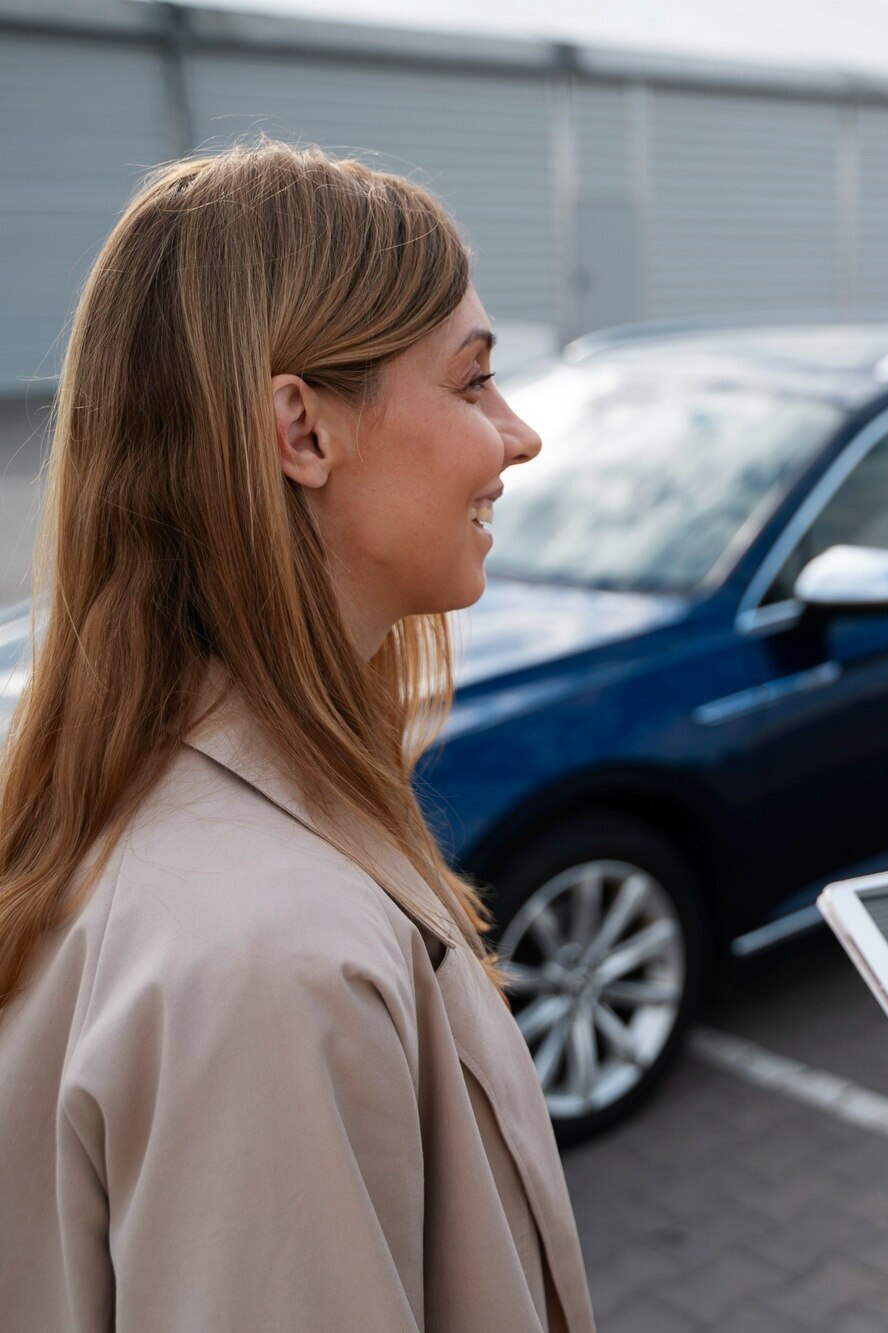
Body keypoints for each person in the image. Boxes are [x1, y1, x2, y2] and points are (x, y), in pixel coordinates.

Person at [0, 144, 591, 1331]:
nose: (516, 437)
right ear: (301, 432)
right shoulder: (265, 959)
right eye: (472, 382)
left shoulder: (180, 804)